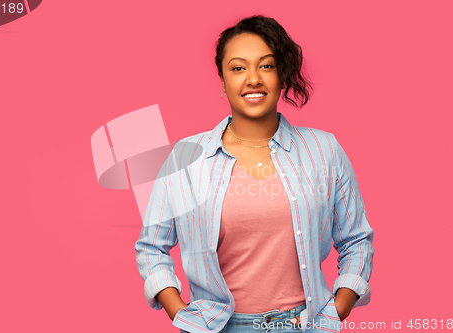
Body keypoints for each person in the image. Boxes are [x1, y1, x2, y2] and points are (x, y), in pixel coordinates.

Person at [135, 15, 374, 333]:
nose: (253, 79)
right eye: (238, 68)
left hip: (304, 325)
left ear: (281, 75)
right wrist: (180, 313)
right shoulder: (186, 157)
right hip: (216, 327)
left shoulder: (324, 150)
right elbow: (152, 245)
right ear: (222, 80)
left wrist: (336, 310)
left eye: (266, 65)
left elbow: (356, 239)